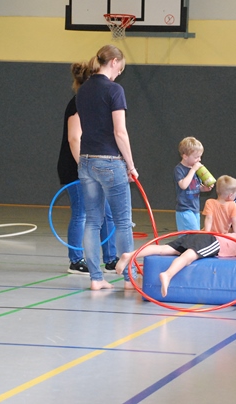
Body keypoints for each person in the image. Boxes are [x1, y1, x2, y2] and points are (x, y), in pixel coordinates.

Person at [75, 44, 137, 291]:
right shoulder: (114, 90)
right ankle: (129, 279)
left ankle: (96, 278)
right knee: (122, 222)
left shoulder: (83, 89)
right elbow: (120, 132)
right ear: (113, 62)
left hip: (86, 161)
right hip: (109, 161)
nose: (120, 73)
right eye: (120, 68)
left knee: (92, 221)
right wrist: (131, 165)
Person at [57, 61, 118, 275]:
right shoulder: (78, 103)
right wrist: (85, 168)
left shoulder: (94, 102)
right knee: (82, 213)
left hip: (95, 167)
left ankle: (111, 259)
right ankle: (76, 260)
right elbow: (74, 138)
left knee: (107, 213)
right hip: (77, 168)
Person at [115, 232, 236, 297]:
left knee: (164, 249)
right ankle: (168, 274)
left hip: (200, 236)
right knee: (188, 257)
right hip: (213, 242)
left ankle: (130, 255)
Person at [174, 136, 213, 231]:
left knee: (189, 235)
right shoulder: (179, 169)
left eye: (200, 157)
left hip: (195, 208)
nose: (199, 160)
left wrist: (203, 188)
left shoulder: (195, 169)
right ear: (185, 156)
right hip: (185, 208)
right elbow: (183, 185)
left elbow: (194, 186)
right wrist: (193, 170)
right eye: (196, 157)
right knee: (195, 234)